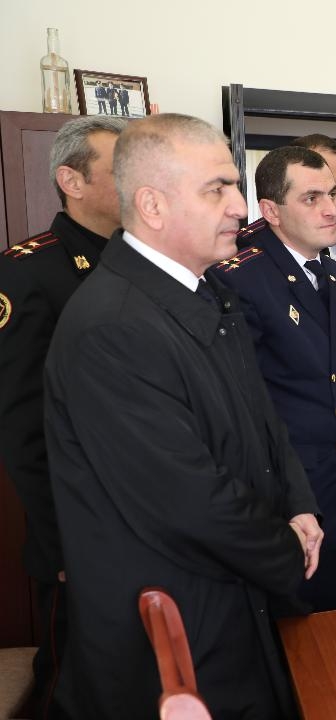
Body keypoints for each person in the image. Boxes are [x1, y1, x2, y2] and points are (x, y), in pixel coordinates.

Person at [43, 113, 322, 719]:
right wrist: (286, 549)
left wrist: (299, 504)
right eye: (217, 189)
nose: (239, 207)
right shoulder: (112, 327)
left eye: (235, 186)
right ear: (152, 205)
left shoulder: (205, 290)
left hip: (234, 595)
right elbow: (189, 498)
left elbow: (261, 419)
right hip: (178, 620)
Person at [212, 147, 336, 611]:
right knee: (298, 622)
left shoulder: (335, 269)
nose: (332, 209)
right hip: (288, 494)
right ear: (271, 211)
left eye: (332, 193)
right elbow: (242, 405)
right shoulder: (240, 277)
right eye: (311, 198)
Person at [0, 114, 126, 719]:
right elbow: (23, 425)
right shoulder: (28, 270)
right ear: (71, 181)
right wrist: (61, 539)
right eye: (119, 170)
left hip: (143, 515)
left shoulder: (141, 260)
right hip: (78, 528)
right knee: (72, 683)